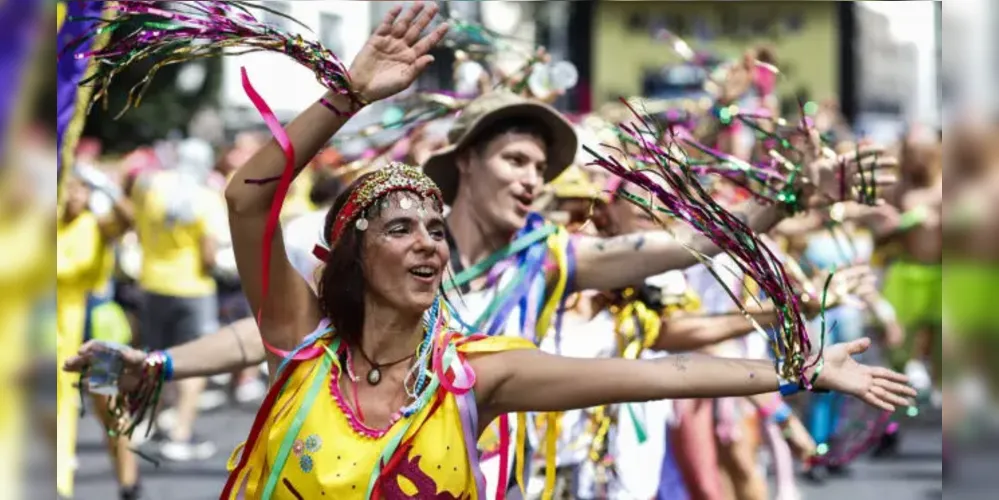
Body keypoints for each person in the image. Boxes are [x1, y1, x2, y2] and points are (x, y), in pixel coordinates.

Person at [69, 4, 914, 499]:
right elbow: (253, 247)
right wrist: (348, 93)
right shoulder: (311, 344)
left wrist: (797, 359)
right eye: (514, 157)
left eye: (432, 229)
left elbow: (668, 359)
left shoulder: (506, 330)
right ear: (463, 160)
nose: (532, 178)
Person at [131, 137, 225, 461]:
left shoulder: (152, 188)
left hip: (153, 281)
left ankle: (147, 424)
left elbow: (139, 227)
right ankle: (180, 435)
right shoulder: (207, 196)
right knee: (195, 363)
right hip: (193, 289)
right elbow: (209, 254)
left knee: (154, 357)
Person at [57, 171, 140, 499]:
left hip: (96, 327)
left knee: (109, 407)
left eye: (80, 189)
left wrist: (102, 181)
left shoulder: (97, 225)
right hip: (51, 328)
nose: (75, 195)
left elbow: (128, 219)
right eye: (68, 188)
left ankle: (129, 484)